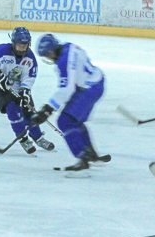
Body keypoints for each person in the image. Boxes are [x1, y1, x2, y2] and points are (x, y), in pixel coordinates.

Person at [31, 34, 106, 174]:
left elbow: (67, 89)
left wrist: (48, 109)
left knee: (65, 121)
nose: (48, 57)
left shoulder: (63, 61)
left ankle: (82, 159)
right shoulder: (68, 46)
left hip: (90, 88)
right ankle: (90, 153)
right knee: (75, 120)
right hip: (96, 82)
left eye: (48, 54)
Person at [0, 27, 55, 154]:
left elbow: (29, 76)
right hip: (0, 88)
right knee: (13, 110)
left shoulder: (30, 57)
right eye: (19, 45)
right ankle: (24, 139)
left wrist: (25, 90)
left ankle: (39, 138)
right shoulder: (0, 51)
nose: (21, 49)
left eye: (24, 46)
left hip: (19, 87)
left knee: (29, 112)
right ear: (13, 43)